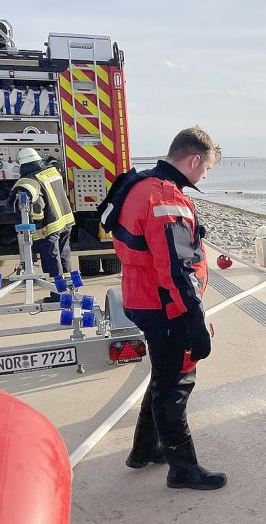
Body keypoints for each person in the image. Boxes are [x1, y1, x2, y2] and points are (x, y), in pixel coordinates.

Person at [101, 126, 225, 490]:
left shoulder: (137, 185)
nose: (205, 175)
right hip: (165, 306)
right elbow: (177, 268)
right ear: (193, 160)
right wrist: (195, 321)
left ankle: (145, 450)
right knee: (175, 384)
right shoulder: (165, 198)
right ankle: (183, 469)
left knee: (162, 374)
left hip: (142, 297)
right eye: (207, 169)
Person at [10, 147, 75, 302]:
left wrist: (39, 227)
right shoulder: (52, 171)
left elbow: (38, 206)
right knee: (64, 255)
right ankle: (70, 289)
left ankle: (57, 294)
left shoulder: (31, 180)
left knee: (51, 259)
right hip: (65, 220)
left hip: (49, 226)